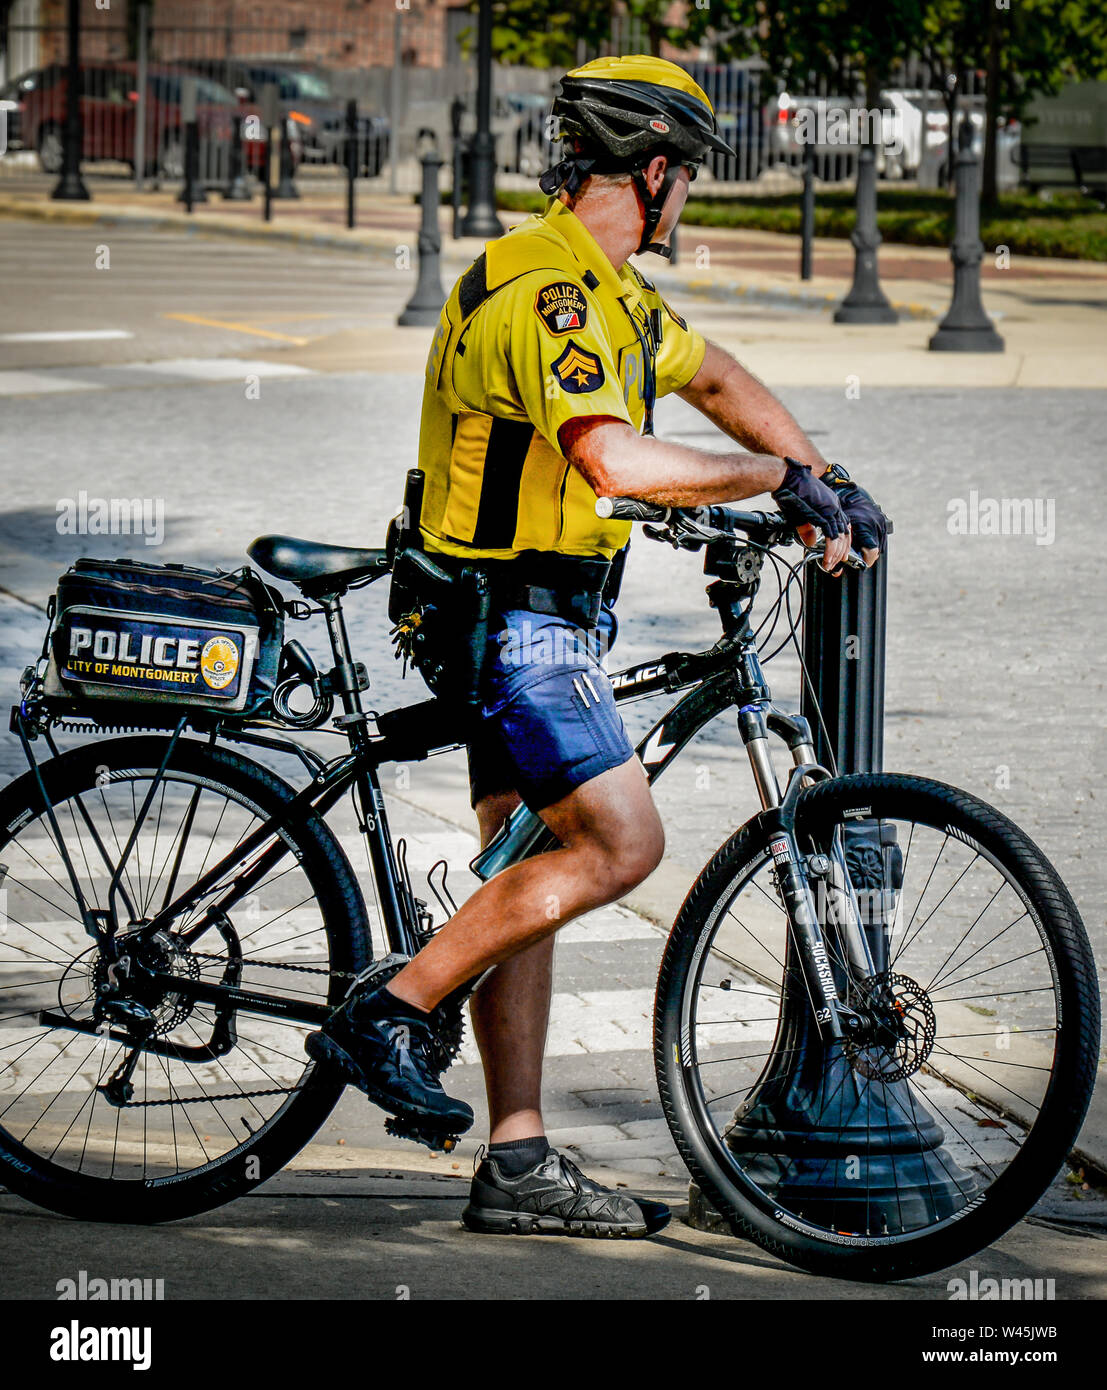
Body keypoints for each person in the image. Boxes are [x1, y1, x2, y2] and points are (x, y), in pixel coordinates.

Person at [307, 55, 887, 1238]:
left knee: (529, 872)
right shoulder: (548, 295)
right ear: (656, 170)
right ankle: (393, 1007)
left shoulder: (613, 291)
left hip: (542, 610)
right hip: (509, 620)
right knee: (622, 840)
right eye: (691, 182)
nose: (692, 206)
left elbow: (712, 374)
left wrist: (823, 473)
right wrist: (779, 481)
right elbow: (613, 460)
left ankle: (516, 1161)